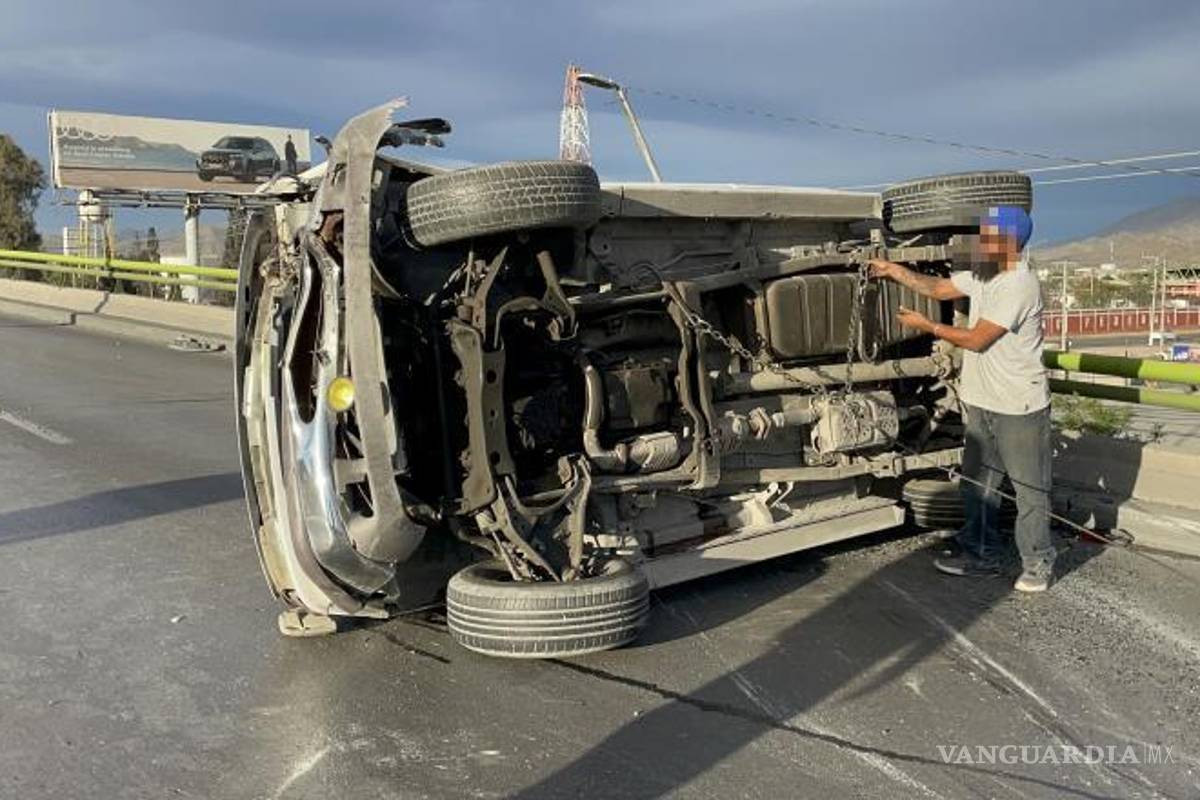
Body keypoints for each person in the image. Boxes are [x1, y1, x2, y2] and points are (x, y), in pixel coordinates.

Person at [869, 206, 1056, 592]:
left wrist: (928, 327)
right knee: (977, 486)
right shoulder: (987, 271)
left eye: (987, 232)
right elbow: (939, 289)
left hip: (1019, 406)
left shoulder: (1019, 283)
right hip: (984, 401)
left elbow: (977, 339)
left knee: (1030, 489)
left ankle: (1038, 562)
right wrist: (895, 272)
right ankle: (981, 556)